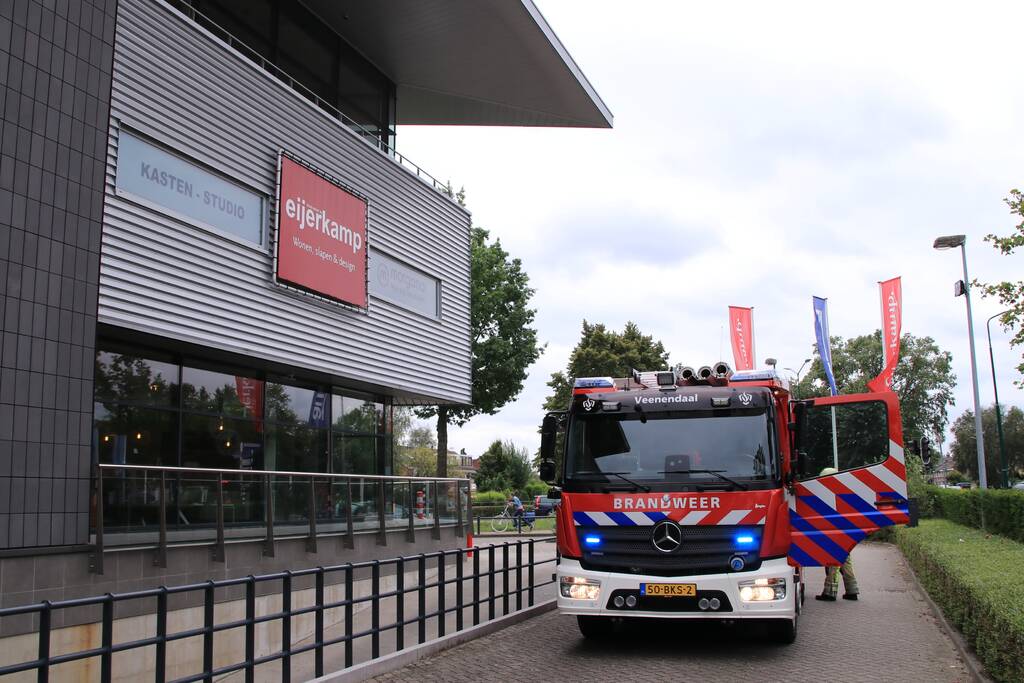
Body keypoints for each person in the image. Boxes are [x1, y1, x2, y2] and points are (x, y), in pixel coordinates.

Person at [814, 467, 860, 602]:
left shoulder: (829, 494)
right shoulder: (843, 492)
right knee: (845, 561)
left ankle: (830, 592)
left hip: (835, 533)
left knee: (833, 561)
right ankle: (852, 591)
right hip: (846, 533)